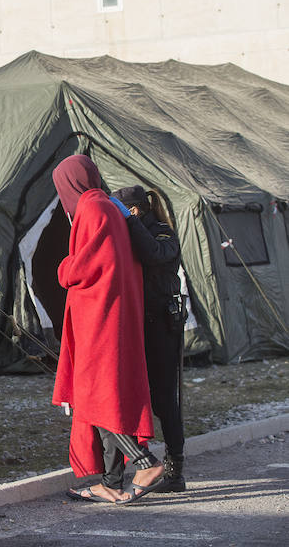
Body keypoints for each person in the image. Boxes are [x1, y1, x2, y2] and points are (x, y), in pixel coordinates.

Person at [51, 155, 164, 505]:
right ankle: (111, 482)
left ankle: (145, 463)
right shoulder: (108, 207)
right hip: (113, 313)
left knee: (94, 396)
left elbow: (86, 265)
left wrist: (63, 268)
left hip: (100, 319)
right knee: (108, 394)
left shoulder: (93, 208)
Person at [111, 185, 187, 492]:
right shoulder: (131, 232)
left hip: (161, 328)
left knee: (165, 401)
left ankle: (175, 471)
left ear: (134, 210)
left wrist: (130, 223)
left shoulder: (162, 233)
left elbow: (154, 254)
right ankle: (126, 467)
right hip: (135, 326)